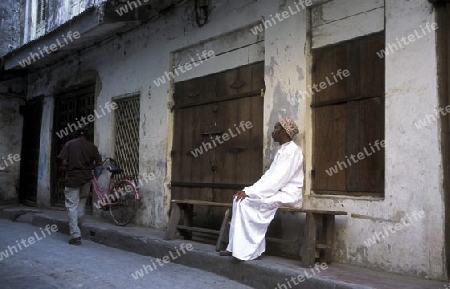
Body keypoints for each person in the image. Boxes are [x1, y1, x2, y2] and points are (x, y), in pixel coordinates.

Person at [220, 117, 304, 260]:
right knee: (239, 200)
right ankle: (235, 247)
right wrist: (249, 190)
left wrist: (250, 193)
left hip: (288, 195)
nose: (273, 131)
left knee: (246, 203)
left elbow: (278, 180)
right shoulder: (282, 150)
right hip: (275, 191)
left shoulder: (293, 151)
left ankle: (248, 249)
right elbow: (268, 177)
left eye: (276, 128)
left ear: (283, 132)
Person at [58, 125, 102, 245]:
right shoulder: (92, 147)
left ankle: (76, 235)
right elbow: (99, 163)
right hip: (86, 179)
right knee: (81, 204)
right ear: (87, 135)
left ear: (76, 134)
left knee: (71, 205)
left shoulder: (69, 144)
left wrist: (67, 167)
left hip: (73, 179)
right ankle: (78, 227)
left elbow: (64, 162)